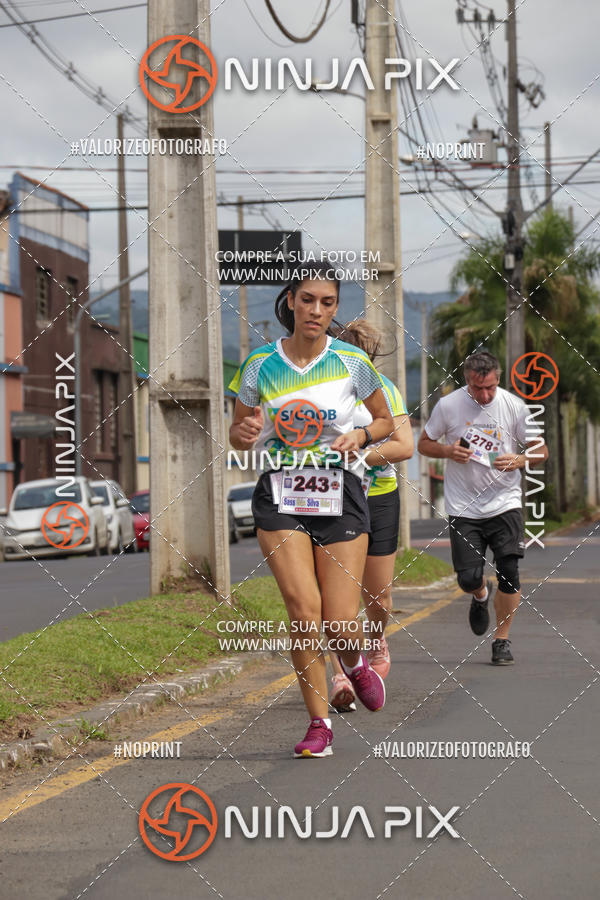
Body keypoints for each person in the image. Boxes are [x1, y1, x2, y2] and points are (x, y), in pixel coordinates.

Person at [229, 266, 394, 757]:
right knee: (303, 612)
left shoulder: (352, 363)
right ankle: (319, 724)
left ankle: (357, 663)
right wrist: (241, 434)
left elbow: (386, 420)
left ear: (335, 308)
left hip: (338, 492)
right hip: (280, 494)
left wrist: (361, 435)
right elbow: (241, 427)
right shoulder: (259, 365)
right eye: (307, 300)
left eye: (326, 302)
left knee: (341, 622)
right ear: (292, 302)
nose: (316, 311)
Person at [417, 350, 548, 665]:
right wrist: (448, 451)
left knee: (510, 571)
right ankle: (480, 595)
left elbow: (541, 449)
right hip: (464, 506)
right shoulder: (449, 406)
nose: (485, 394)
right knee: (468, 578)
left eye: (490, 387)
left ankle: (501, 639)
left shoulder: (513, 406)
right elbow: (423, 443)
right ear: (467, 380)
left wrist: (520, 459)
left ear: (498, 379)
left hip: (505, 502)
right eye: (478, 388)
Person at [327, 320, 414, 712]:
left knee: (377, 596)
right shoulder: (321, 391)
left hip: (378, 497)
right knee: (335, 597)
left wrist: (358, 455)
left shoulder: (385, 391)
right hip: (332, 500)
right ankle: (341, 673)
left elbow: (405, 446)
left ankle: (376, 637)